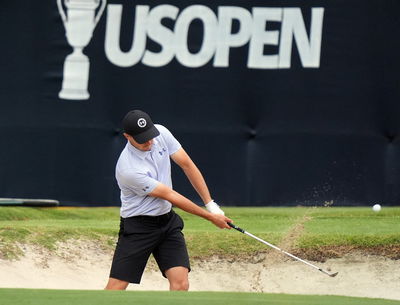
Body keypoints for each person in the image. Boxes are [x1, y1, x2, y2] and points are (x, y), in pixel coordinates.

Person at [105, 110, 232, 291]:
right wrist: (210, 217)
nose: (149, 142)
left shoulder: (161, 133)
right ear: (127, 136)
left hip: (167, 221)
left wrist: (211, 205)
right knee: (116, 287)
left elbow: (187, 164)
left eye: (150, 136)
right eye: (142, 139)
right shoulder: (128, 169)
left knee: (181, 284)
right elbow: (171, 195)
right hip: (138, 227)